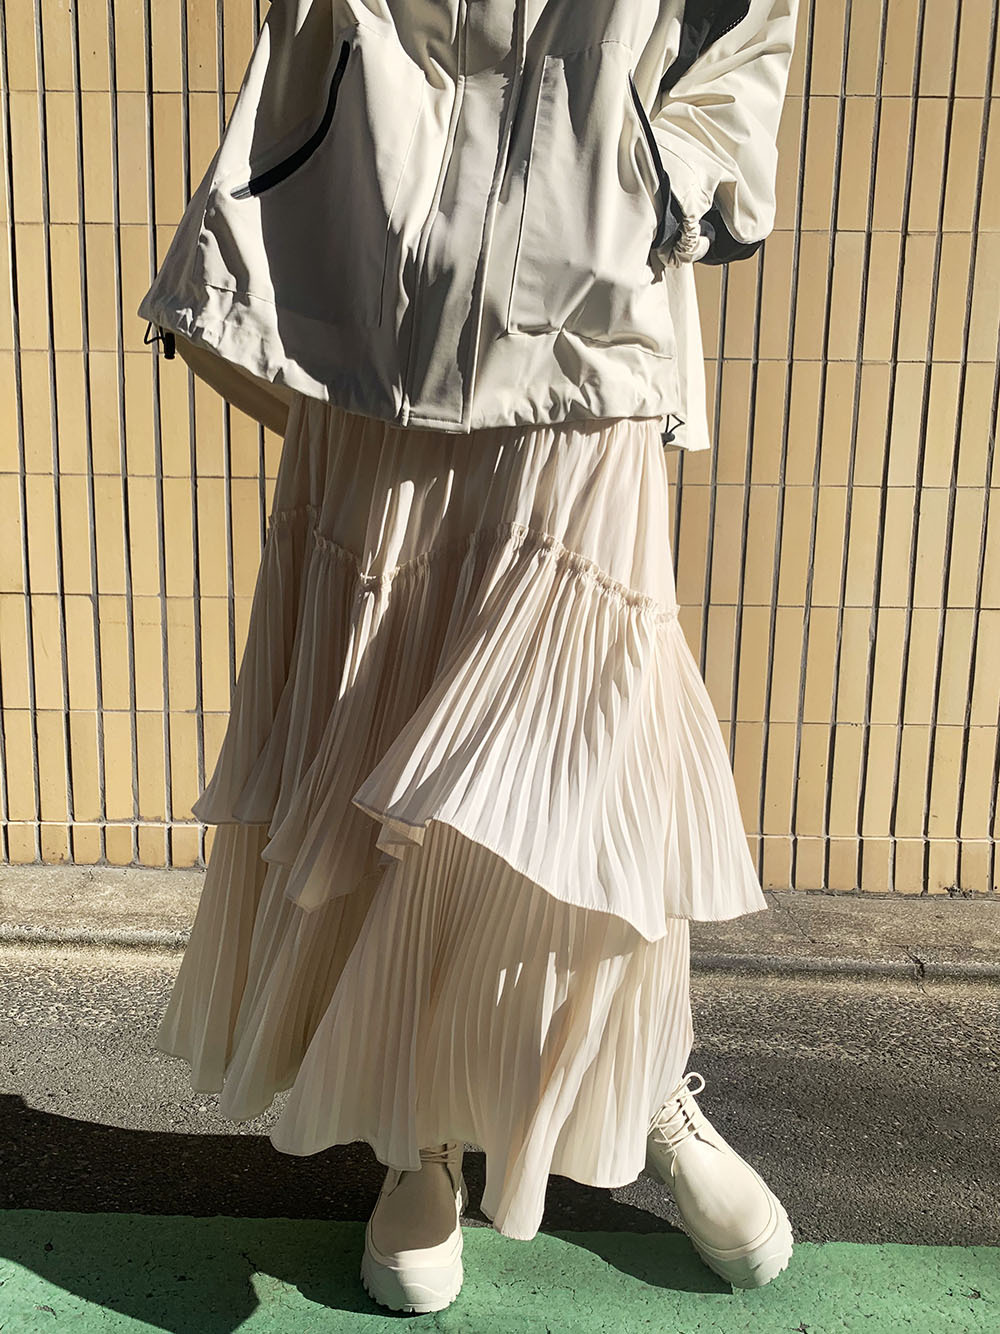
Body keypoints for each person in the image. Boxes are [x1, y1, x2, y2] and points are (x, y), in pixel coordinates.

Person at [139, 0, 800, 1314]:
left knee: (593, 757)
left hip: (585, 310)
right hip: (377, 288)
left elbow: (746, 35)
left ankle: (640, 1079)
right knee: (378, 721)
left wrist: (659, 177)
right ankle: (420, 1127)